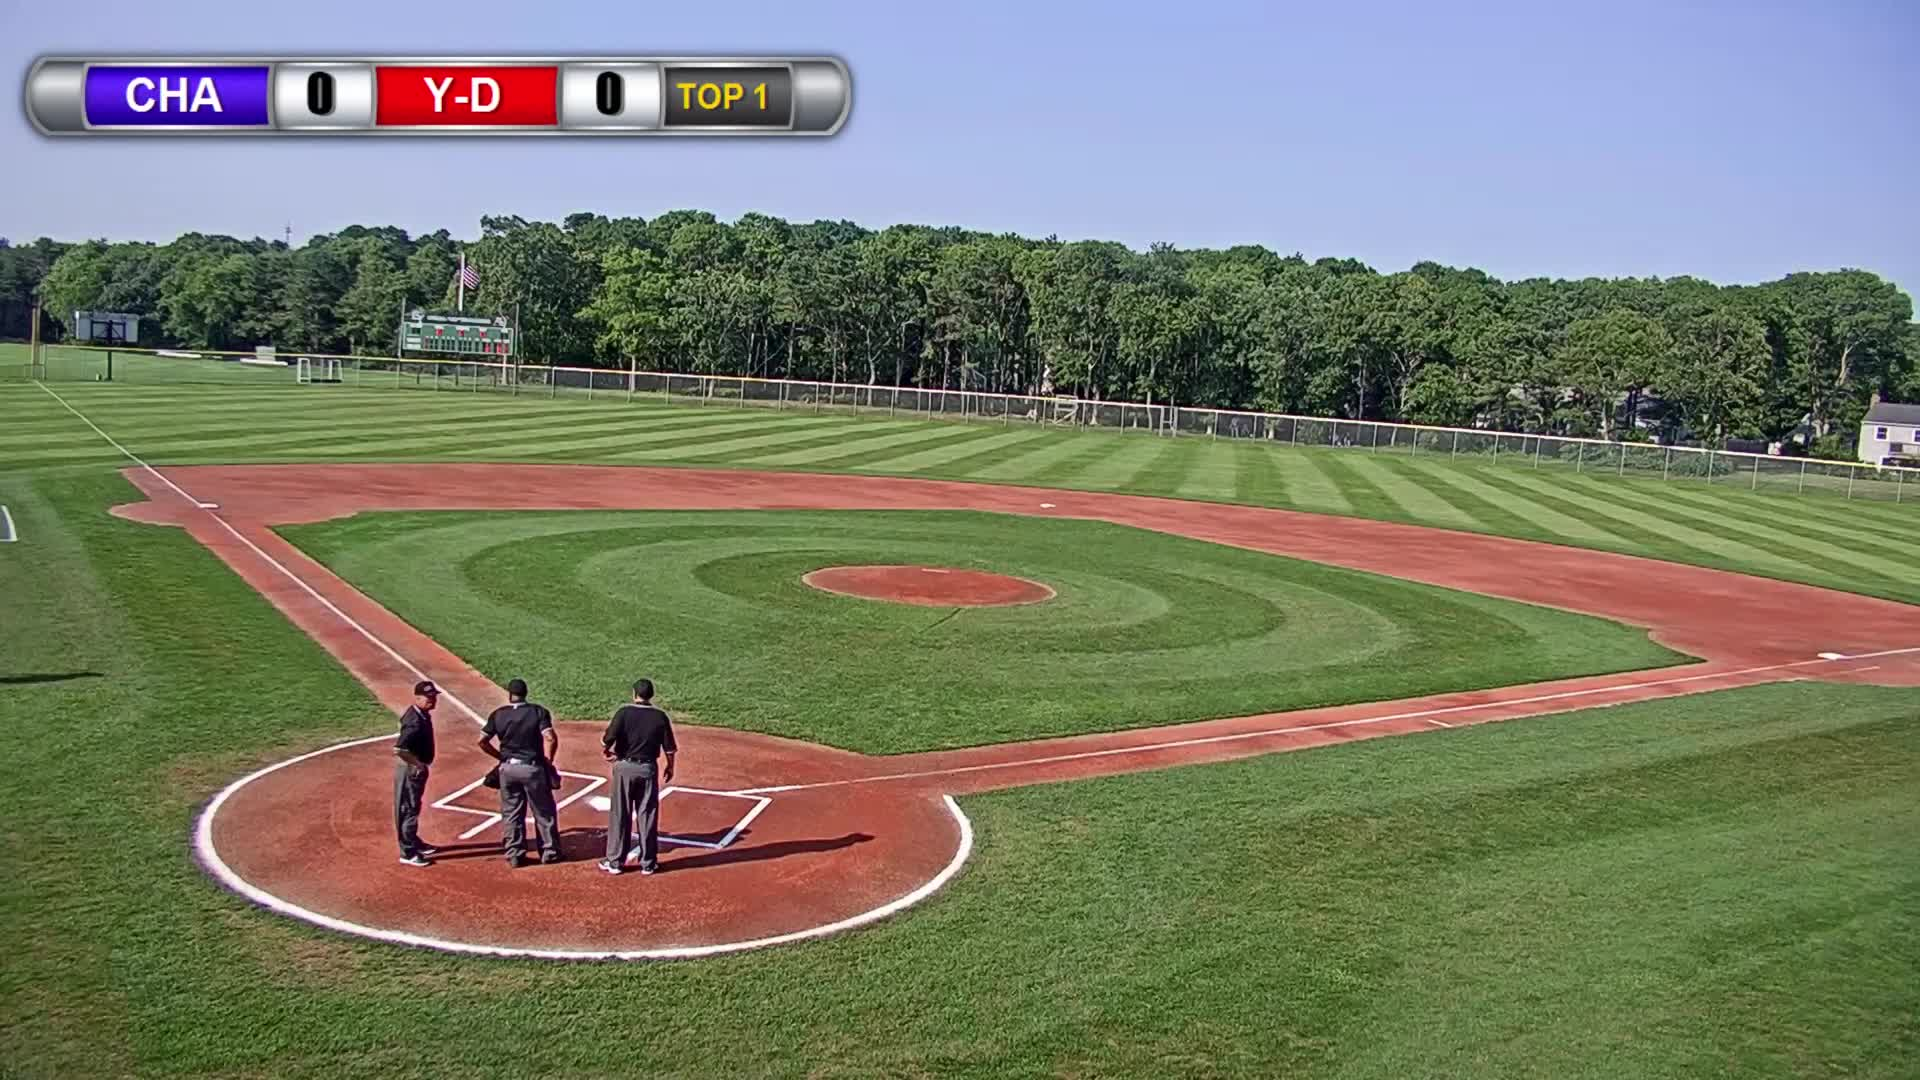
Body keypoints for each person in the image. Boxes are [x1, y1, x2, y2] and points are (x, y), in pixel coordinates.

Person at [478, 678, 563, 867]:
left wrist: (500, 756)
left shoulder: (498, 714)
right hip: (531, 769)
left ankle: (515, 854)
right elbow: (550, 738)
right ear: (526, 693)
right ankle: (549, 852)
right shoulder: (538, 711)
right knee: (543, 811)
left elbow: (482, 741)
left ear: (510, 694)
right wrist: (548, 761)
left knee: (511, 813)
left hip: (507, 770)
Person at [598, 678, 678, 876]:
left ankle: (615, 862)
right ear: (651, 695)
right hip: (648, 769)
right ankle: (648, 863)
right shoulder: (660, 717)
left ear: (634, 694)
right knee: (647, 814)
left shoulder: (624, 713)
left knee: (620, 814)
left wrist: (607, 751)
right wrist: (670, 767)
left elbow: (607, 740)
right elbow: (669, 749)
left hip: (624, 768)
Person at [393, 679, 441, 868]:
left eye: (434, 697)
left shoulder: (421, 714)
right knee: (408, 808)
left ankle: (413, 840)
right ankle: (408, 852)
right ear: (418, 698)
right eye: (429, 697)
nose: (433, 700)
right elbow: (399, 749)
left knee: (414, 805)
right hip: (410, 769)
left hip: (414, 767)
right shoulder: (414, 721)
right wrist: (418, 764)